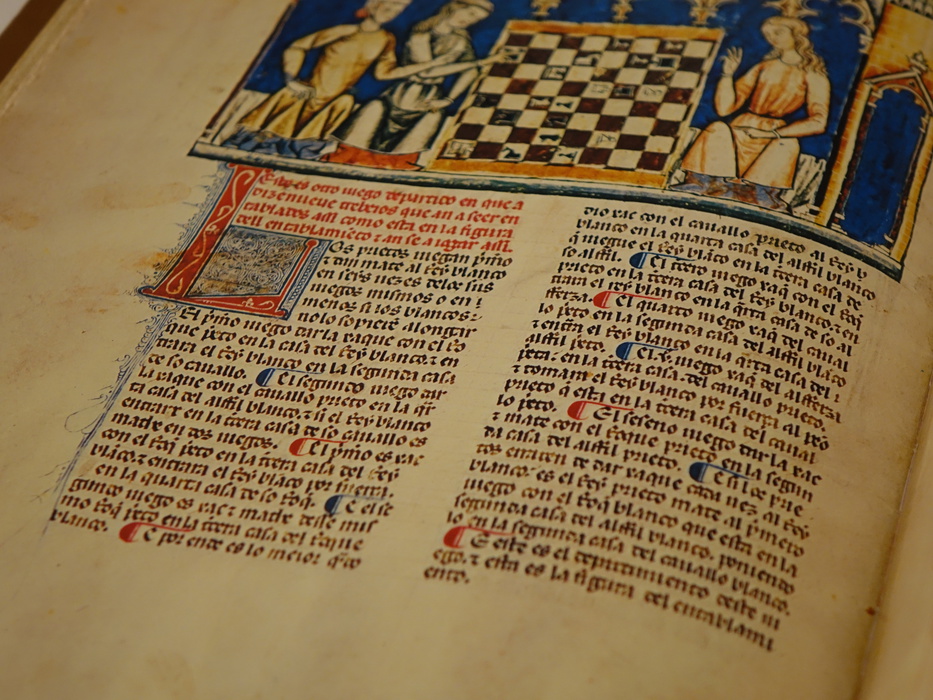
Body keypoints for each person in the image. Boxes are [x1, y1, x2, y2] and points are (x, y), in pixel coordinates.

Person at [233, 0, 460, 144]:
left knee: (315, 134)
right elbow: (298, 46)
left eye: (398, 9)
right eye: (389, 6)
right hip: (309, 92)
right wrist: (291, 80)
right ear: (373, 5)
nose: (392, 12)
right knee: (262, 138)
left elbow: (385, 74)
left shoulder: (386, 39)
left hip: (335, 101)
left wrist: (430, 65)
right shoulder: (345, 30)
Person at [677, 16, 830, 208]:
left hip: (774, 134)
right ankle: (703, 184)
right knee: (716, 128)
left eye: (778, 33)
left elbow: (818, 121)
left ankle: (761, 194)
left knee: (788, 144)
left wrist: (769, 134)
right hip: (742, 127)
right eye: (769, 35)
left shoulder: (814, 75)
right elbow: (725, 108)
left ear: (797, 35)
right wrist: (727, 75)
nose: (773, 38)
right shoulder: (764, 67)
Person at [338, 0, 495, 154]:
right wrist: (479, 62)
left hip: (430, 98)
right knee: (372, 112)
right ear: (454, 7)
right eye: (470, 13)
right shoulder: (421, 33)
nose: (470, 20)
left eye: (477, 19)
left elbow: (471, 72)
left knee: (430, 122)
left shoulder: (461, 41)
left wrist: (448, 99)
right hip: (400, 96)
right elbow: (425, 72)